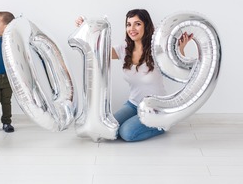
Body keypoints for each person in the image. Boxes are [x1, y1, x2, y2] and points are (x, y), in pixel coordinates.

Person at [75, 9, 193, 142]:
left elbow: (176, 67)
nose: (132, 28)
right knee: (108, 128)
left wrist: (181, 49)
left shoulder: (157, 49)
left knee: (127, 133)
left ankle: (162, 124)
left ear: (146, 26)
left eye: (137, 24)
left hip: (155, 107)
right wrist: (86, 28)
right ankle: (142, 123)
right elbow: (99, 49)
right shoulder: (124, 49)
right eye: (128, 24)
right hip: (133, 104)